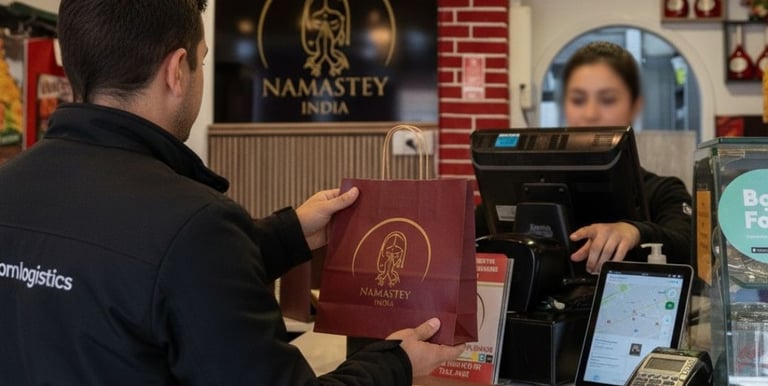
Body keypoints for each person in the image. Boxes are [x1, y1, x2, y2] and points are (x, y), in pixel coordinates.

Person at [0, 1, 462, 385]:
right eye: (201, 62)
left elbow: (139, 267)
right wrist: (397, 364)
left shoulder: (11, 183)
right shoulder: (196, 224)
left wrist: (290, 234)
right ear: (176, 70)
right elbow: (169, 260)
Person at [561, 41, 692, 273]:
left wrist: (636, 232)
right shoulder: (536, 190)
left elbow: (688, 245)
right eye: (578, 100)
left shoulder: (664, 192)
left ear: (634, 106)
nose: (590, 114)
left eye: (608, 100)